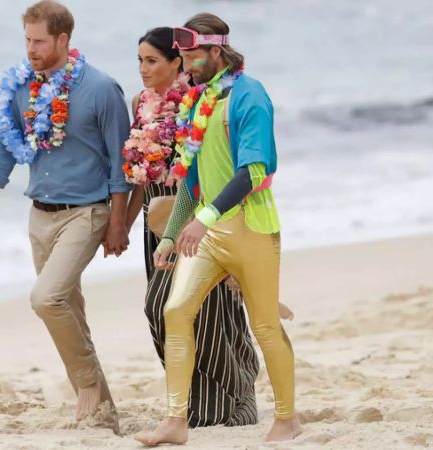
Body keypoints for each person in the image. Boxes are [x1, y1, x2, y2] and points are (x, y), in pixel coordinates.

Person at [134, 13, 302, 445]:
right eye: (183, 55)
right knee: (175, 310)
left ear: (216, 50)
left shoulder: (250, 95)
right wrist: (172, 234)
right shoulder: (196, 100)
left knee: (264, 325)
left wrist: (203, 221)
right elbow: (192, 181)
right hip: (206, 232)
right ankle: (175, 421)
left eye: (192, 54)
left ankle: (287, 418)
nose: (186, 62)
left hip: (251, 227)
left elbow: (253, 170)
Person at [0, 0, 130, 432]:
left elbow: (122, 165)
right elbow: (2, 148)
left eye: (39, 41)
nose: (31, 49)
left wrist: (119, 223)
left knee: (46, 299)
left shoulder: (101, 89)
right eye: (26, 39)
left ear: (63, 39)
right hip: (39, 214)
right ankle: (103, 415)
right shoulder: (19, 87)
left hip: (88, 212)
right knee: (69, 310)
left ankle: (86, 386)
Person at [122, 26, 260, 428]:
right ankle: (192, 401)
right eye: (140, 61)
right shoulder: (138, 103)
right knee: (171, 310)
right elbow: (135, 176)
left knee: (209, 310)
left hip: (198, 213)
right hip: (156, 218)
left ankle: (231, 399)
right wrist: (124, 223)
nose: (143, 69)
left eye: (152, 61)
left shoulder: (198, 100)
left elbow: (217, 166)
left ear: (177, 62)